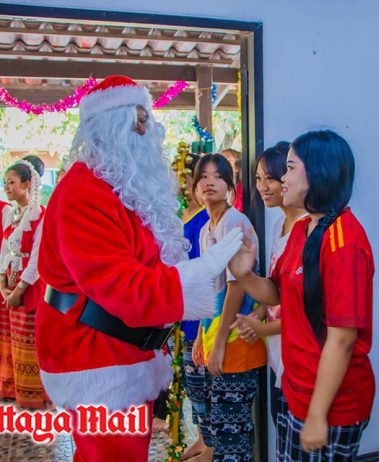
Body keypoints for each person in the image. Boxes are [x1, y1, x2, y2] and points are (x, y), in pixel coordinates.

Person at [34, 75, 243, 462]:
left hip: (124, 352)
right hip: (95, 358)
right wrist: (200, 273)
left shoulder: (121, 187)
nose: (149, 131)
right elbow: (121, 286)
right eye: (139, 120)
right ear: (111, 126)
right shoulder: (84, 191)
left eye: (148, 119)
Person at [229, 130, 375, 461]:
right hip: (297, 388)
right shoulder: (302, 229)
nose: (283, 179)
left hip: (331, 403)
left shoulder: (344, 242)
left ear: (318, 173)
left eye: (291, 168)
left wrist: (318, 414)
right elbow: (277, 293)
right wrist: (244, 274)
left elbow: (342, 339)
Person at [190, 153, 266, 462]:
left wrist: (219, 343)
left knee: (232, 434)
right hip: (216, 335)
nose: (209, 182)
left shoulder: (234, 221)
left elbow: (236, 286)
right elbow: (210, 287)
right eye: (203, 176)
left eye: (218, 176)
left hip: (236, 338)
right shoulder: (206, 229)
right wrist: (201, 337)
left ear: (230, 185)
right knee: (221, 429)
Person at [232, 141, 307, 432]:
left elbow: (308, 312)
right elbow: (279, 291)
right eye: (258, 178)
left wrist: (261, 328)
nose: (263, 187)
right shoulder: (279, 226)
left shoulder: (309, 231)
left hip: (299, 360)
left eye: (271, 178)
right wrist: (260, 312)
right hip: (280, 356)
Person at [0, 155, 47, 409]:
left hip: (29, 285)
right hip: (10, 282)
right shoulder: (11, 214)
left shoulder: (39, 215)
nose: (7, 187)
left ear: (27, 184)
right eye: (5, 183)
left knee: (30, 341)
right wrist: (2, 283)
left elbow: (37, 259)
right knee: (14, 341)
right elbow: (4, 250)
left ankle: (34, 396)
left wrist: (19, 290)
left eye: (11, 182)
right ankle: (15, 389)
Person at [172, 153, 210, 460]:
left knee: (202, 377)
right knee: (191, 379)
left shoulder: (205, 220)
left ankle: (209, 443)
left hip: (199, 309)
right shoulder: (180, 216)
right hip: (181, 308)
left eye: (179, 175)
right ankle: (201, 437)